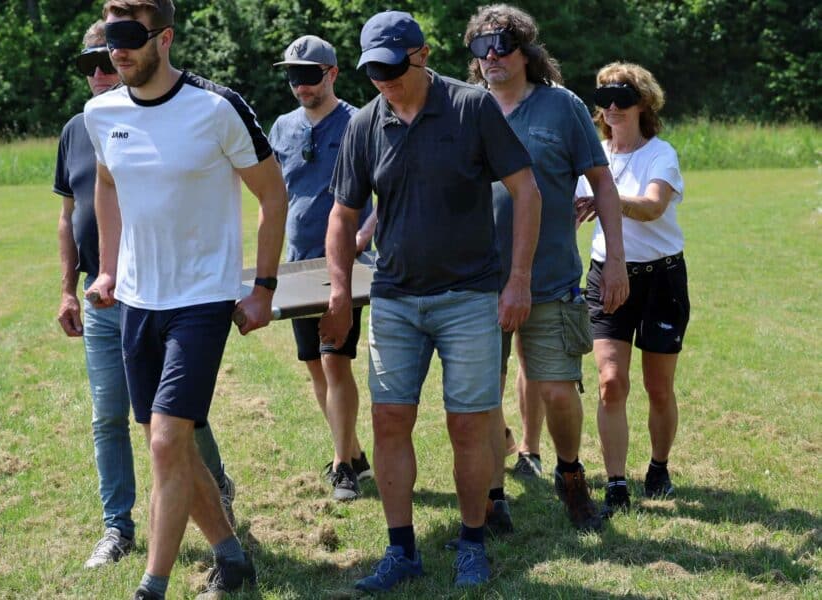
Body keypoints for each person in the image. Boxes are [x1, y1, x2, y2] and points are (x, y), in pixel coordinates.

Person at [321, 11, 541, 591]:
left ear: (421, 55)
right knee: (389, 420)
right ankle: (401, 551)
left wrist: (518, 279)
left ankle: (472, 543)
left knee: (468, 425)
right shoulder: (365, 124)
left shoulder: (472, 107)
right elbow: (342, 215)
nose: (384, 81)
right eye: (373, 72)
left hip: (469, 297)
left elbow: (526, 190)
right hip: (395, 299)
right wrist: (339, 290)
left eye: (393, 68)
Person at [82, 1, 287, 598]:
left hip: (201, 299)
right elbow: (107, 185)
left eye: (130, 35)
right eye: (110, 36)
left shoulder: (216, 108)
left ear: (165, 37)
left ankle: (153, 585)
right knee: (167, 443)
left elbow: (273, 196)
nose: (117, 49)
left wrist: (263, 288)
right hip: (136, 301)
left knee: (168, 441)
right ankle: (231, 556)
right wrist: (108, 271)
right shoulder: (101, 113)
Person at [53, 18, 235, 572]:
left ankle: (216, 497)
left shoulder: (166, 117)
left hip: (160, 292)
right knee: (109, 417)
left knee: (178, 420)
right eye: (90, 64)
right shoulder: (79, 128)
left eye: (109, 58)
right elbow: (68, 216)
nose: (101, 72)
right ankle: (117, 526)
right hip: (101, 297)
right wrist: (69, 289)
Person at [463, 4, 629, 533]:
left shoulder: (562, 106)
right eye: (481, 46)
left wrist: (616, 260)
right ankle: (494, 500)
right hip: (476, 283)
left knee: (558, 391)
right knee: (483, 397)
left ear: (525, 51)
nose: (492, 56)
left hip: (552, 278)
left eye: (502, 45)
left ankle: (571, 474)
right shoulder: (463, 107)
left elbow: (602, 184)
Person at [575, 62, 688, 517]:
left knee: (658, 388)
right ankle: (617, 483)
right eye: (604, 98)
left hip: (662, 278)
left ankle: (658, 467)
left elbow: (653, 206)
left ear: (643, 102)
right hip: (607, 276)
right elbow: (568, 213)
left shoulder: (661, 154)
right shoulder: (593, 156)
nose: (612, 107)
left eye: (622, 97)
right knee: (610, 382)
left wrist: (606, 198)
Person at [268, 35, 376, 502]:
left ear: (332, 74)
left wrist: (363, 236)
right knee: (314, 364)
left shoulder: (359, 123)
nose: (301, 85)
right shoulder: (281, 127)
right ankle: (353, 453)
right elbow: (274, 194)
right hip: (297, 266)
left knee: (335, 360)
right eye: (294, 76)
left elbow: (388, 190)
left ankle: (341, 468)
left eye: (309, 75)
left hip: (344, 265)